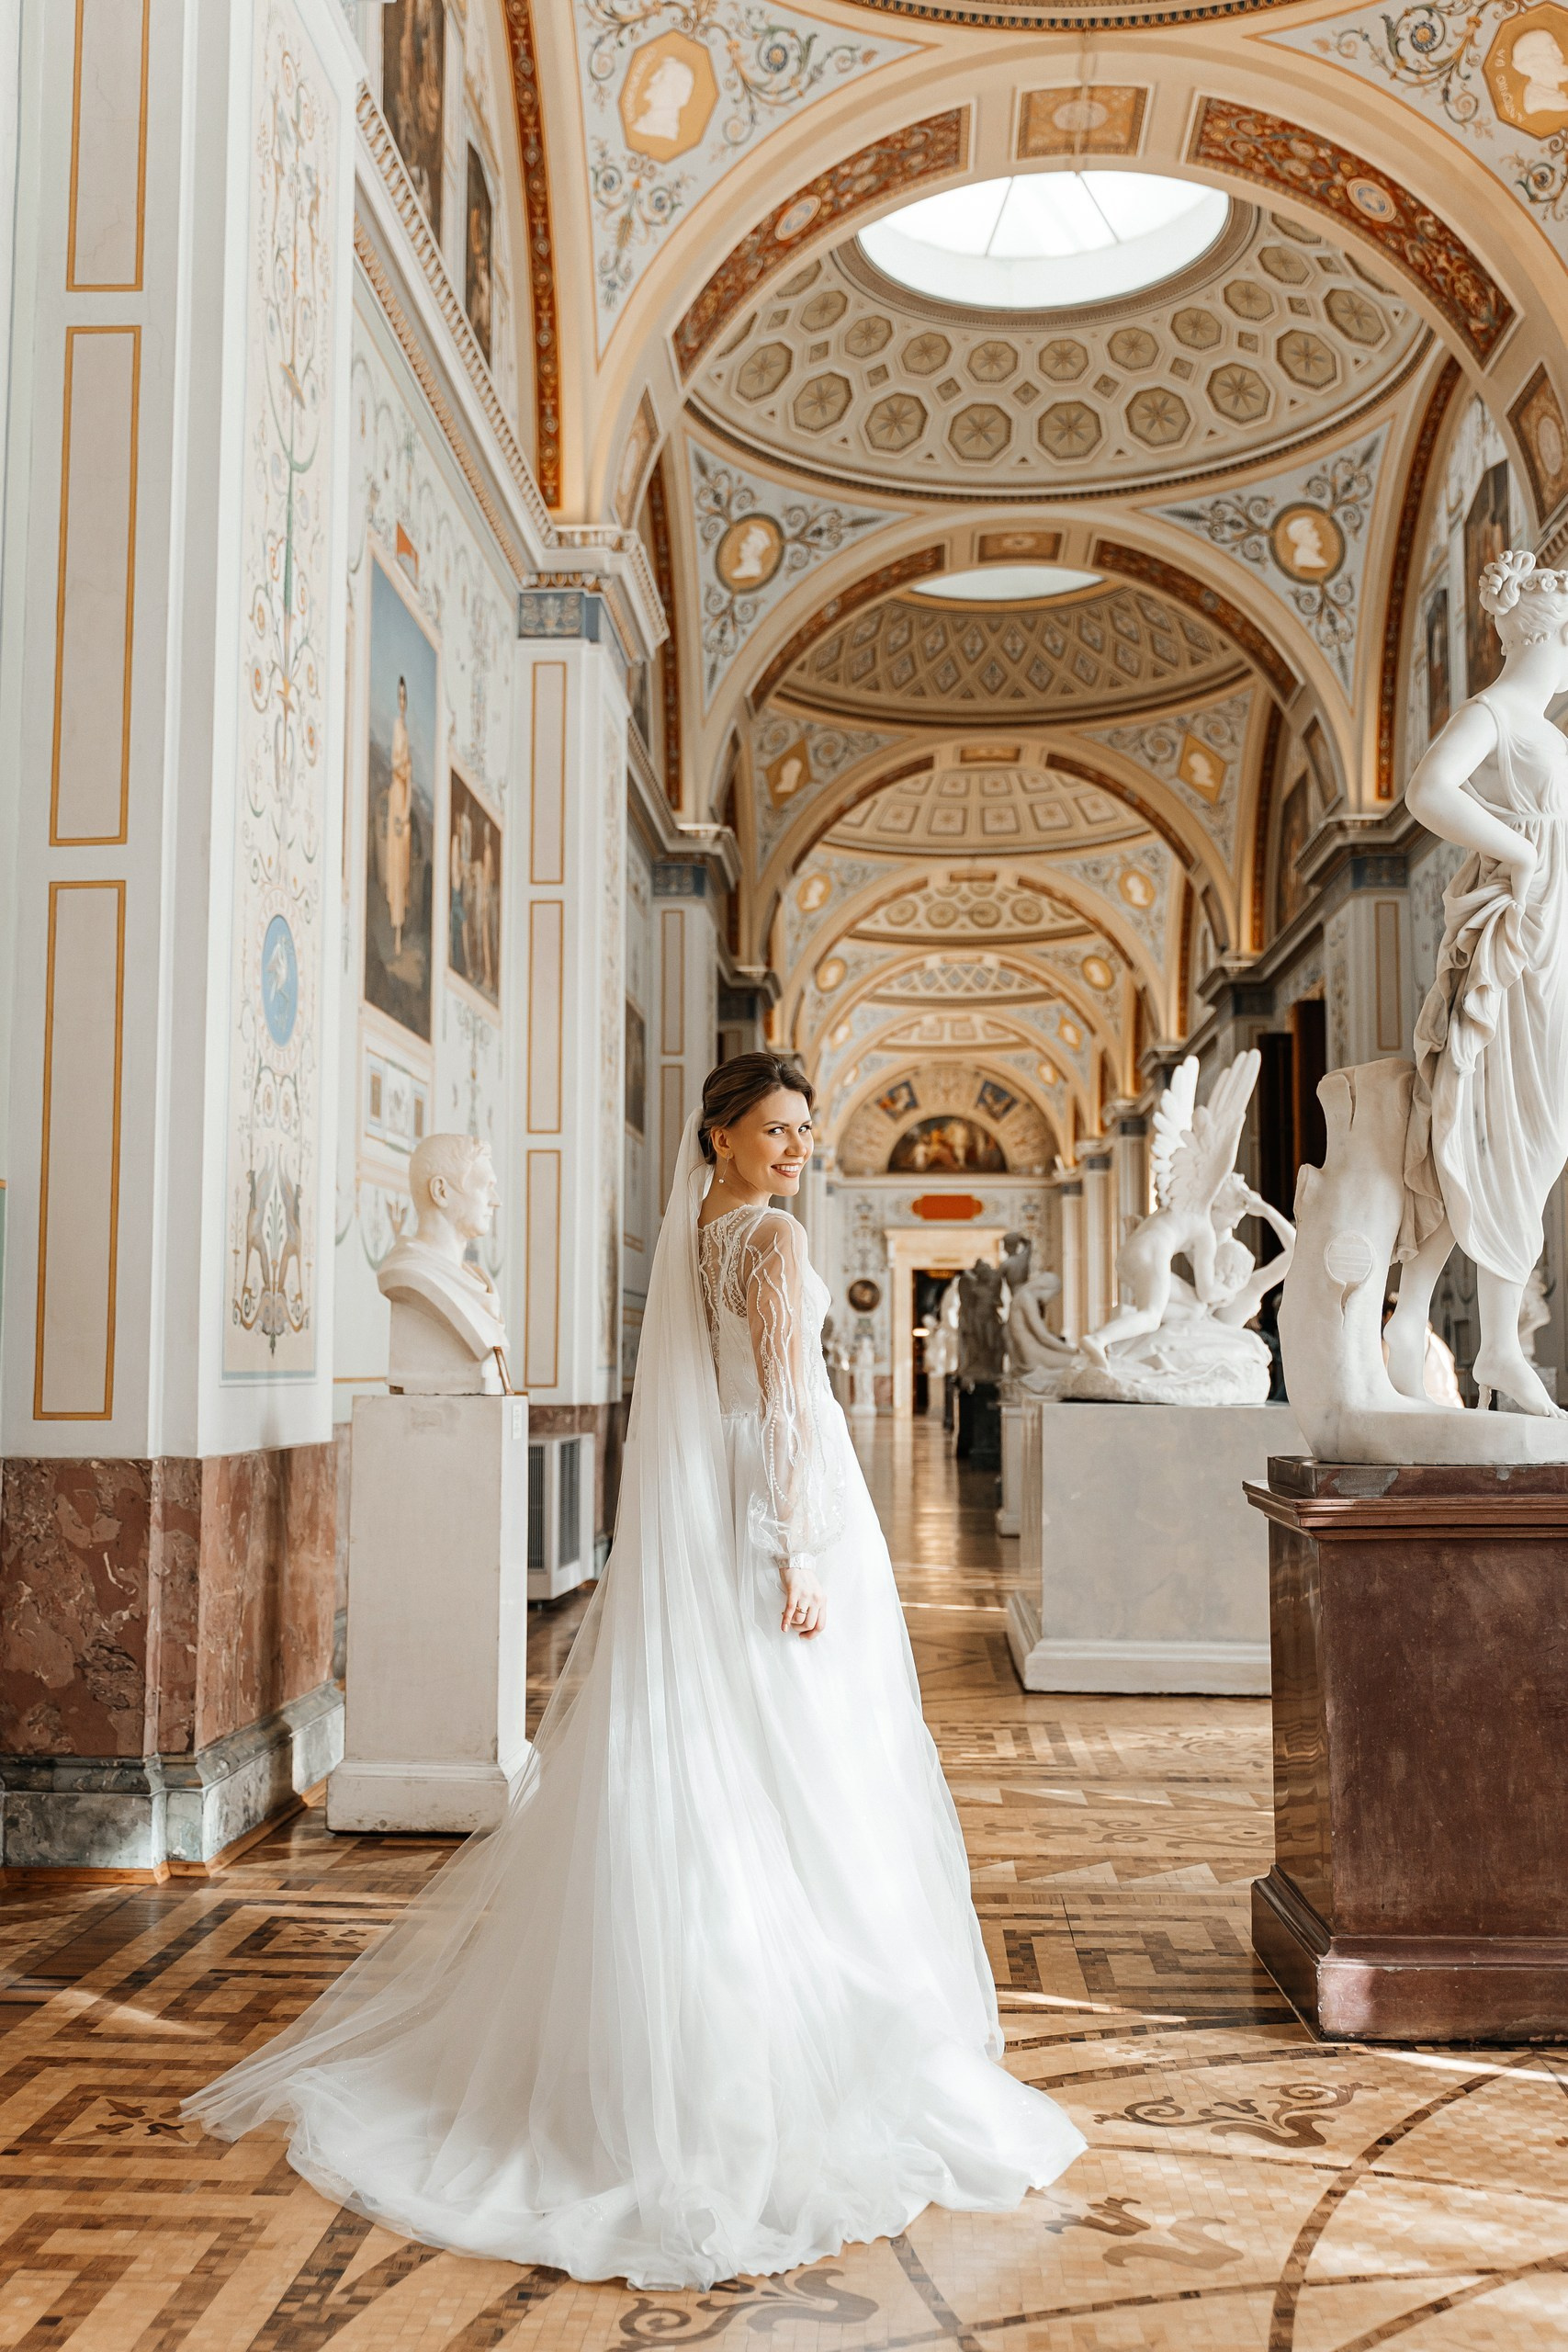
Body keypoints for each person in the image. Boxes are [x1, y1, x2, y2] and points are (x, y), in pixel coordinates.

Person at [182, 1052, 1082, 2289]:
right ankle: (785, 2042)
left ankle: (704, 2024)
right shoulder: (768, 1239)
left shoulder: (700, 1234)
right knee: (808, 1762)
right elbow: (782, 1402)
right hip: (772, 1515)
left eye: (804, 1129)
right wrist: (795, 1550)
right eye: (775, 1129)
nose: (796, 1148)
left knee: (734, 1758)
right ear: (720, 1137)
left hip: (710, 1512)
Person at [1388, 549, 1568, 1416]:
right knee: (1501, 1133)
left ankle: (1482, 1338)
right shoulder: (1492, 712)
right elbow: (1427, 791)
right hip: (1520, 946)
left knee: (1536, 1143)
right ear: (1543, 632)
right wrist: (1521, 854)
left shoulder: (1549, 732)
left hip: (1556, 943)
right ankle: (1490, 1345)